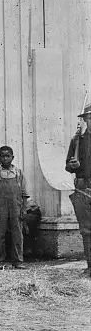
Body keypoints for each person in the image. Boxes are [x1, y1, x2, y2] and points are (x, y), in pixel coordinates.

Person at [0, 146, 30, 270]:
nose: (5, 158)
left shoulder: (18, 172)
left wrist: (23, 209)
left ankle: (18, 260)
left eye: (8, 156)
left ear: (12, 157)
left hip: (15, 207)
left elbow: (24, 192)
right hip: (0, 207)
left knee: (17, 234)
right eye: (2, 156)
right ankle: (0, 260)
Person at [66, 103, 91, 273]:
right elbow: (68, 166)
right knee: (87, 229)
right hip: (82, 186)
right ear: (85, 119)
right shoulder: (76, 140)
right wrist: (73, 164)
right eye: (89, 117)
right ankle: (90, 266)